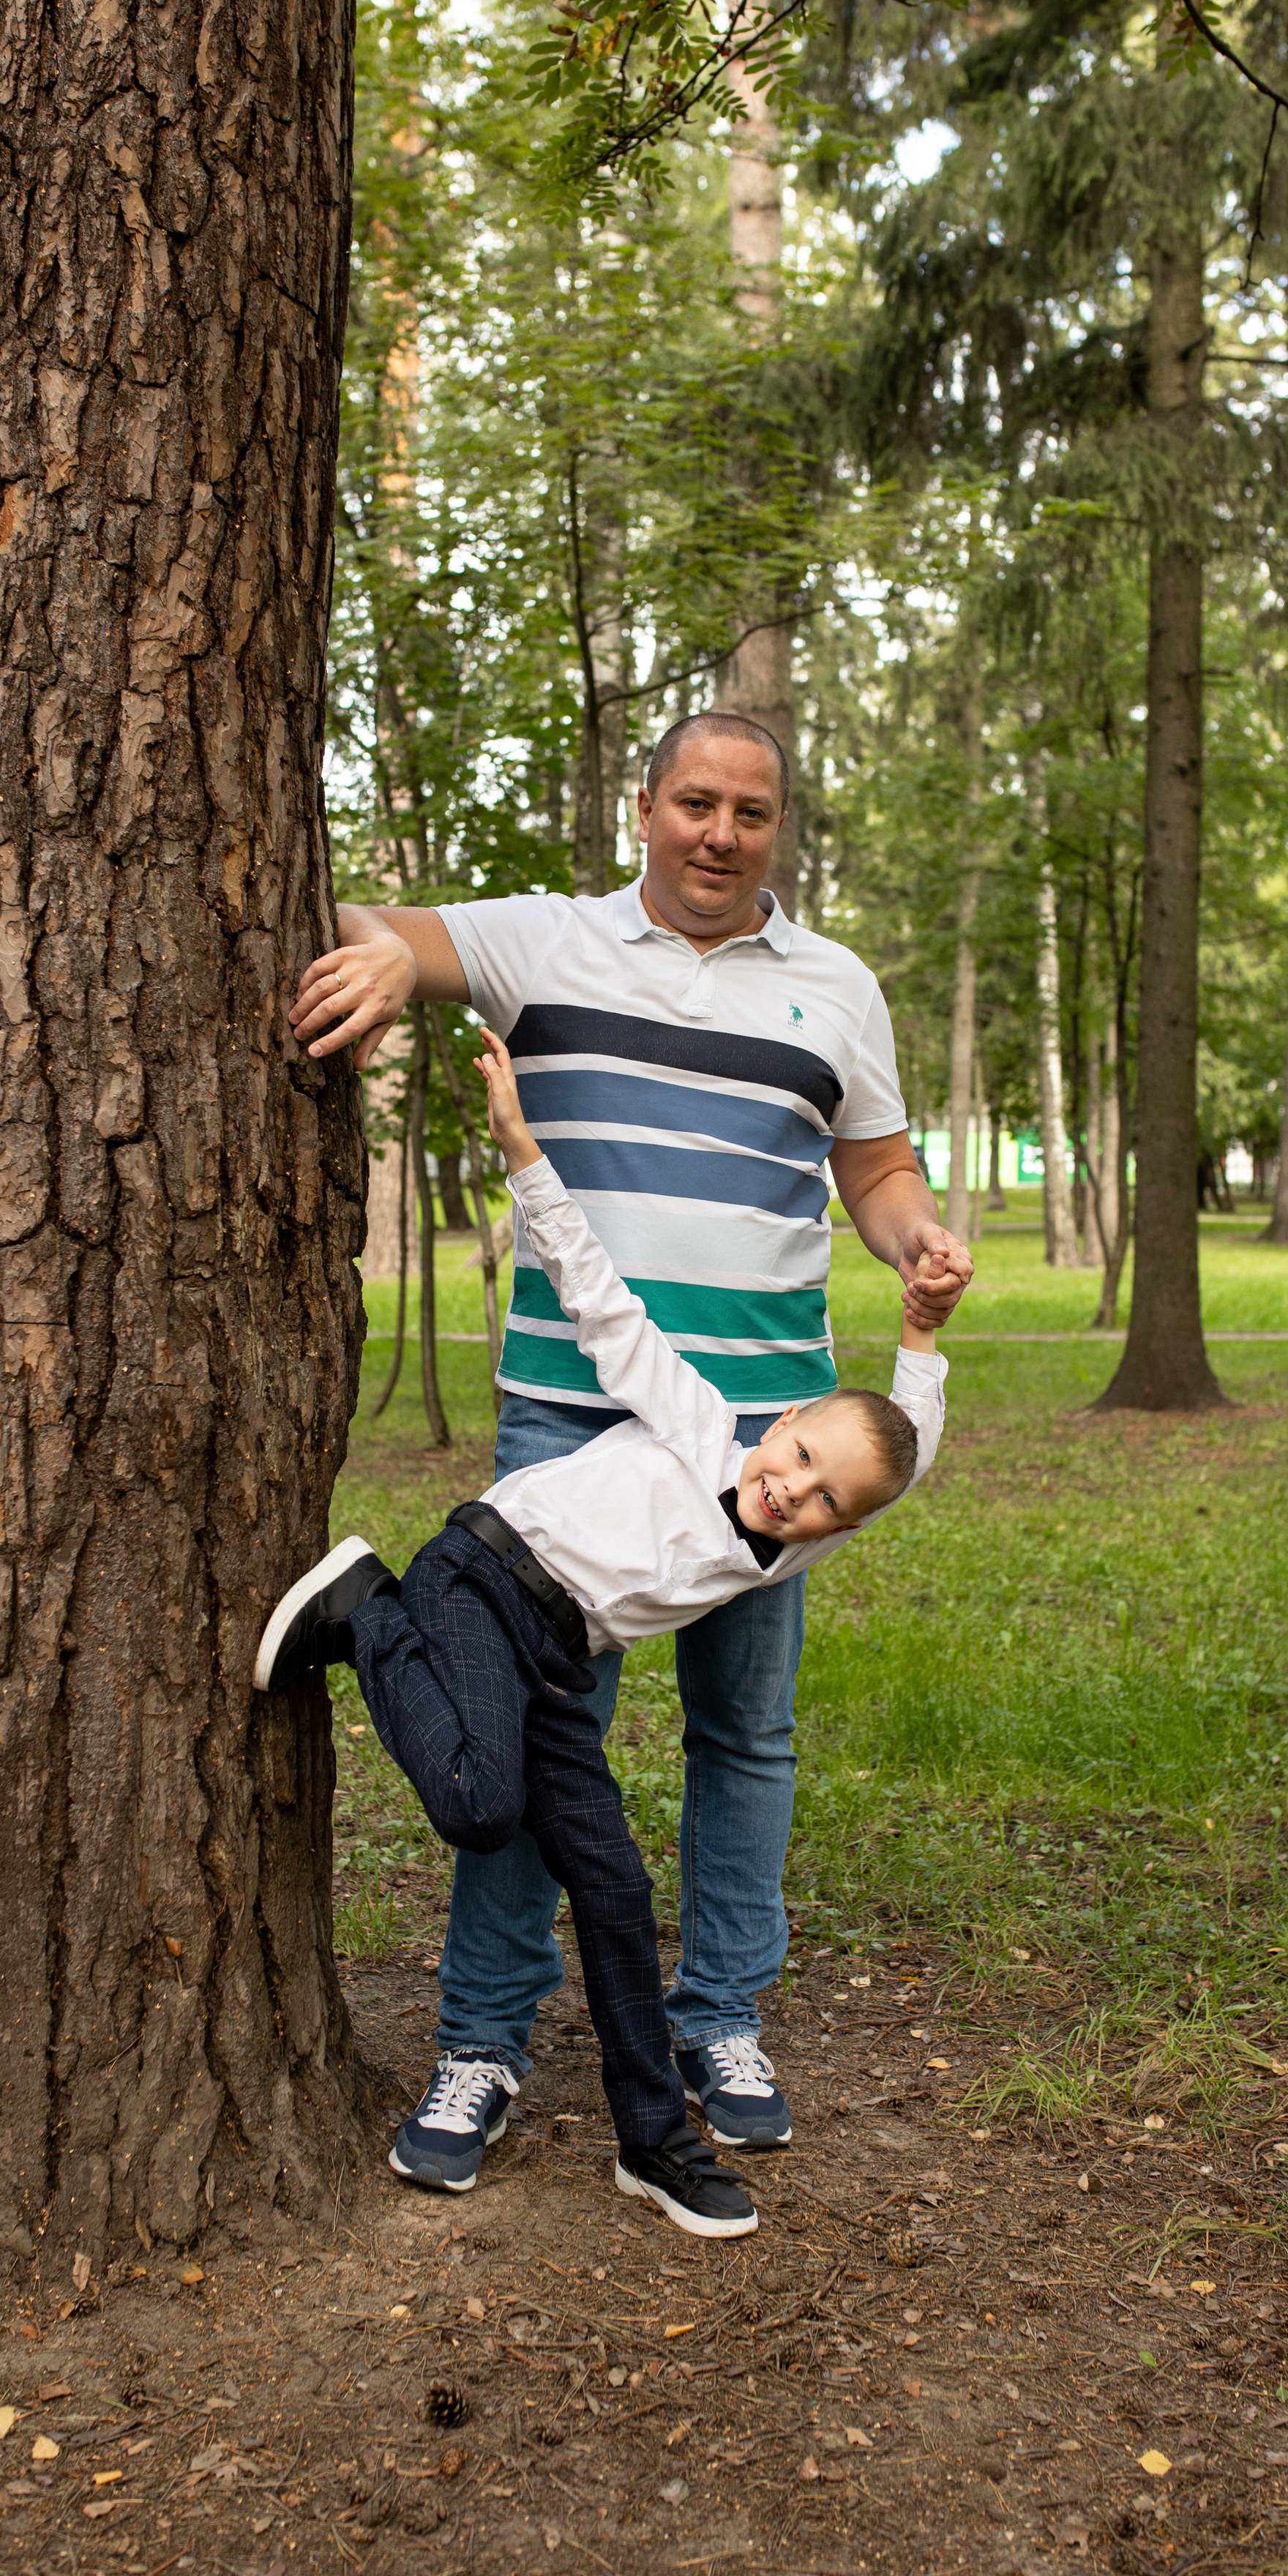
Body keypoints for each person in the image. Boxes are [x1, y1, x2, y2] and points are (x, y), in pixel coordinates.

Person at [291, 711, 974, 2188]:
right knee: (539, 1740)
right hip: (567, 1411)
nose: (719, 835)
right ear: (645, 805)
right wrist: (385, 963)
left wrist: (912, 1235)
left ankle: (718, 2017)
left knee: (745, 1735)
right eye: (693, 804)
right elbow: (374, 923)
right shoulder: (550, 943)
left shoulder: (834, 988)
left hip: (777, 1454)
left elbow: (870, 1163)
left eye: (749, 812)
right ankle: (481, 2041)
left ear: (776, 826)